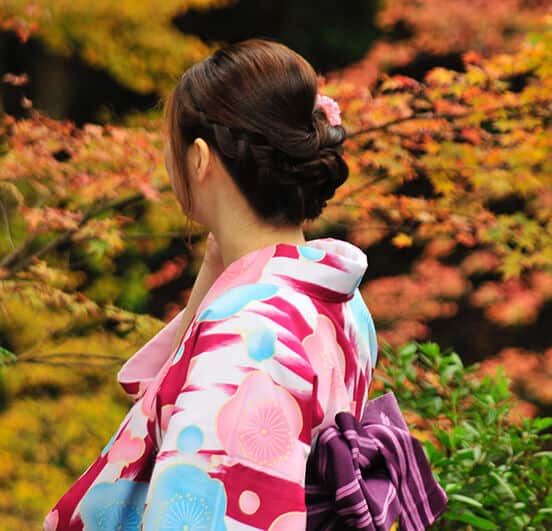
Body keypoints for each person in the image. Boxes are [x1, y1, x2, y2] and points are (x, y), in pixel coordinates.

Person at [43, 39, 381, 530]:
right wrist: (215, 274)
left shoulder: (246, 338)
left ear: (199, 159)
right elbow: (163, 401)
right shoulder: (332, 294)